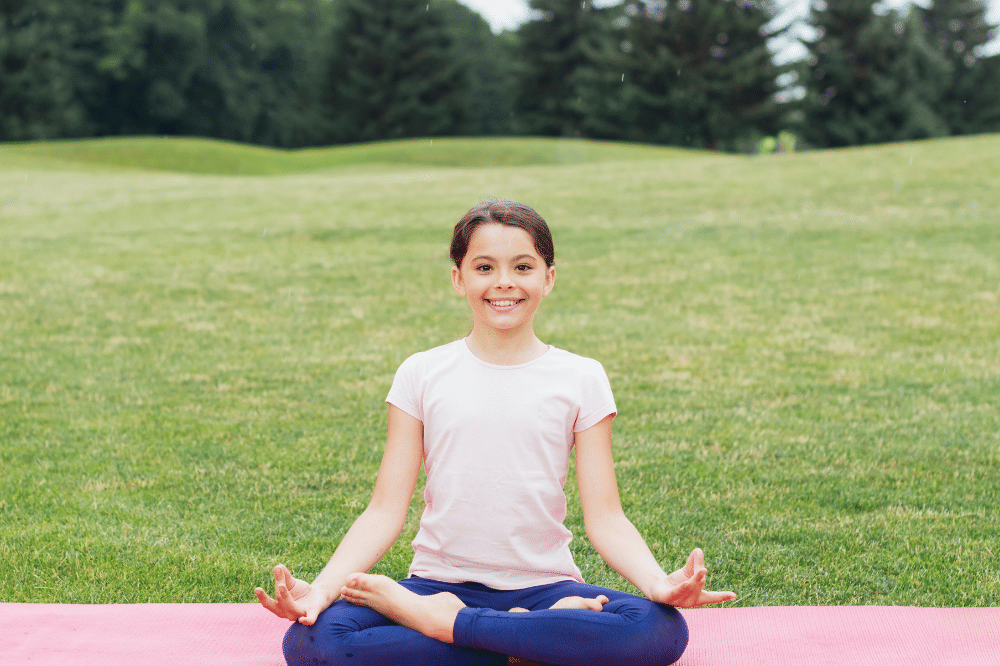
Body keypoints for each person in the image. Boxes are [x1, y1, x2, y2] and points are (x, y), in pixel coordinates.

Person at [255, 199, 736, 666]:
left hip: (546, 589)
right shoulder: (421, 373)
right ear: (457, 278)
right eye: (484, 267)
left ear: (548, 278)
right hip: (437, 583)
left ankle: (446, 626)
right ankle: (527, 645)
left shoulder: (581, 377)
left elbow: (606, 517)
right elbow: (384, 509)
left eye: (523, 267)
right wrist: (319, 590)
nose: (504, 283)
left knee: (660, 629)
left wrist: (657, 586)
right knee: (315, 642)